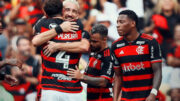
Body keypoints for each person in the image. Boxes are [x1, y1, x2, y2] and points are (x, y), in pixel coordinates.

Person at [32, 0, 90, 101]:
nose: (70, 14)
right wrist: (60, 28)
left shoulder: (77, 27)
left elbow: (84, 47)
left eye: (74, 11)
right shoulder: (48, 24)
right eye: (67, 10)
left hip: (73, 88)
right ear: (61, 10)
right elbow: (35, 41)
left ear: (78, 15)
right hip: (51, 87)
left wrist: (57, 46)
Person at [112, 10, 162, 101]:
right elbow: (118, 76)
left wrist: (153, 93)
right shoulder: (115, 46)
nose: (118, 25)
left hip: (147, 98)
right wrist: (115, 99)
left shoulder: (150, 42)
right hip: (126, 98)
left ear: (132, 23)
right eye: (117, 22)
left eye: (122, 22)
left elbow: (157, 71)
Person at [67, 24, 114, 101]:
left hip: (103, 98)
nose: (91, 44)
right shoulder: (93, 52)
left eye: (95, 41)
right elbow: (87, 76)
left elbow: (103, 82)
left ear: (104, 39)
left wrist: (81, 77)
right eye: (90, 40)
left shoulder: (108, 56)